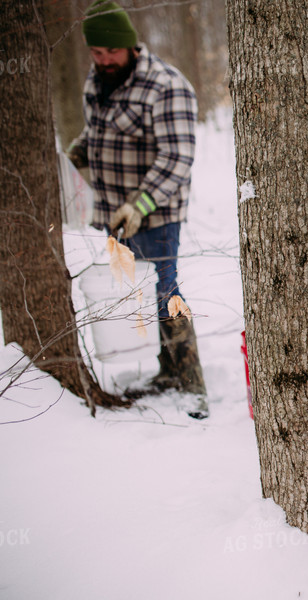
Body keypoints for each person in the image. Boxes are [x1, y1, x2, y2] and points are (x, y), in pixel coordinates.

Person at [67, 0, 207, 419]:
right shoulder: (98, 80)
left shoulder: (165, 85)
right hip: (113, 213)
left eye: (111, 52)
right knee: (139, 294)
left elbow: (178, 158)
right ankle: (166, 372)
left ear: (130, 46)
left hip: (156, 213)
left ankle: (191, 383)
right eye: (96, 53)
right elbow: (96, 134)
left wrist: (140, 203)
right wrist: (69, 159)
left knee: (165, 291)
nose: (104, 60)